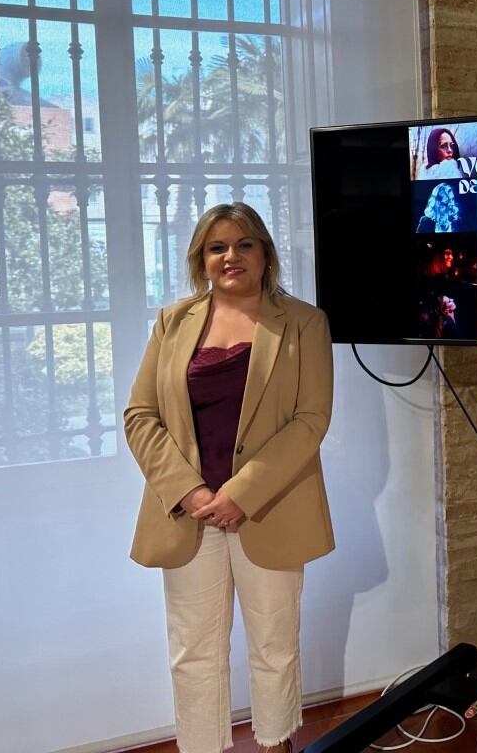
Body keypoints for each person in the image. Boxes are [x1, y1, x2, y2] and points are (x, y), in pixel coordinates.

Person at [125, 202, 334, 753]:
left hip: (270, 509)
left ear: (265, 253)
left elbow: (311, 420)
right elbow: (139, 415)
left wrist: (240, 494)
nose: (231, 256)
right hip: (188, 515)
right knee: (193, 653)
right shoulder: (173, 321)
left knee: (274, 646)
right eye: (217, 247)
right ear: (202, 259)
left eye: (244, 244)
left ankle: (274, 746)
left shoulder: (305, 323)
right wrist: (190, 491)